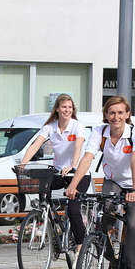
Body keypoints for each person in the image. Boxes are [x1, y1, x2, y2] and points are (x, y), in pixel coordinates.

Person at [65, 96, 135, 269]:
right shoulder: (99, 132)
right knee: (103, 219)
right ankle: (112, 257)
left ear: (127, 115)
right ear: (106, 115)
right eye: (112, 113)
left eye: (120, 113)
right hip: (113, 181)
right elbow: (87, 158)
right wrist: (73, 186)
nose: (116, 117)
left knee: (133, 224)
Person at [18, 94, 89, 249]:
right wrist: (23, 163)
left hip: (78, 174)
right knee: (44, 191)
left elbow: (78, 146)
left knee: (73, 208)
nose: (67, 110)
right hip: (59, 172)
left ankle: (80, 244)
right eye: (64, 107)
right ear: (57, 109)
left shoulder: (77, 126)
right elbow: (36, 145)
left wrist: (73, 164)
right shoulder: (50, 127)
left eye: (70, 107)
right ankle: (48, 222)